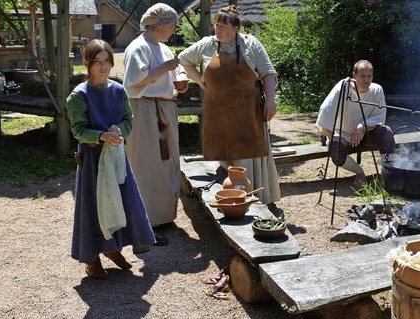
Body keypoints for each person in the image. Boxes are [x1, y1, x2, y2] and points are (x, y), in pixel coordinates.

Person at [67, 39, 156, 279]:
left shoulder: (119, 90)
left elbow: (128, 119)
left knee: (123, 202)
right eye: (98, 62)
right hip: (92, 158)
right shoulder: (78, 96)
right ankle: (92, 257)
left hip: (116, 156)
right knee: (94, 207)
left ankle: (113, 248)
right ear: (86, 63)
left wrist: (119, 132)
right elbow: (78, 130)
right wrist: (100, 136)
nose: (103, 66)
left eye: (107, 61)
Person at [178, 4, 281, 209]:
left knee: (248, 154)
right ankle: (232, 198)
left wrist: (270, 100)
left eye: (224, 26)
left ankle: (257, 199)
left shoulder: (250, 44)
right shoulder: (207, 44)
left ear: (236, 28)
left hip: (248, 111)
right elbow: (183, 59)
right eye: (217, 25)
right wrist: (200, 81)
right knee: (225, 154)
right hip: (219, 112)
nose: (218, 29)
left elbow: (268, 73)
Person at [123, 3, 188, 245]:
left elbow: (175, 70)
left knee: (166, 162)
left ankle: (162, 216)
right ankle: (144, 223)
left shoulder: (163, 48)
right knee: (146, 164)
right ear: (159, 25)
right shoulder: (137, 48)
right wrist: (164, 69)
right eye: (170, 26)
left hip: (165, 109)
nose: (172, 31)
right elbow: (133, 85)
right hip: (144, 110)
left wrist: (180, 79)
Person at [315, 60, 396, 188]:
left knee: (387, 133)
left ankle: (388, 176)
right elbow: (325, 111)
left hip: (366, 133)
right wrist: (332, 136)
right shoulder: (343, 87)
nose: (366, 79)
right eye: (362, 76)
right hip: (343, 134)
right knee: (336, 152)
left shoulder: (377, 90)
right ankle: (359, 173)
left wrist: (362, 127)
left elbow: (380, 116)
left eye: (369, 76)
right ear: (354, 76)